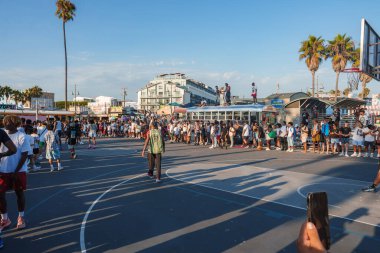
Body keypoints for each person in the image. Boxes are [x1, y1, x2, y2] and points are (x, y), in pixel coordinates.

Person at [0, 115, 27, 230]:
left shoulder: (22, 136)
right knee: (0, 196)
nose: (5, 123)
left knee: (19, 194)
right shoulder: (2, 133)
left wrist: (16, 171)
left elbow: (25, 154)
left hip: (18, 170)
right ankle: (5, 218)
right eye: (4, 121)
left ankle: (21, 217)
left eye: (7, 121)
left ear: (14, 123)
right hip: (3, 169)